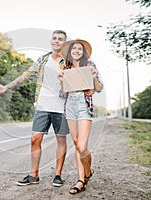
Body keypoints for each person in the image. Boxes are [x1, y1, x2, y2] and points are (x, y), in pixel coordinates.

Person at [0, 30, 69, 187]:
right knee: (35, 139)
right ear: (51, 41)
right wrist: (6, 87)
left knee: (61, 139)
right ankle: (34, 175)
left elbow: (75, 84)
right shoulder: (43, 59)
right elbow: (25, 76)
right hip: (42, 105)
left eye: (60, 39)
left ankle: (58, 175)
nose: (56, 41)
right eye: (54, 38)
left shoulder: (68, 62)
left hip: (61, 107)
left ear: (64, 42)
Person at [58, 39, 103, 194]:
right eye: (74, 48)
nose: (76, 51)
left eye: (79, 49)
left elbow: (98, 88)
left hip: (84, 106)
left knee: (82, 146)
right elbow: (63, 94)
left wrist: (95, 77)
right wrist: (62, 81)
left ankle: (86, 172)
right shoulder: (66, 68)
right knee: (77, 144)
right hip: (70, 106)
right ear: (69, 52)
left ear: (83, 52)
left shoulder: (89, 65)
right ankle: (82, 178)